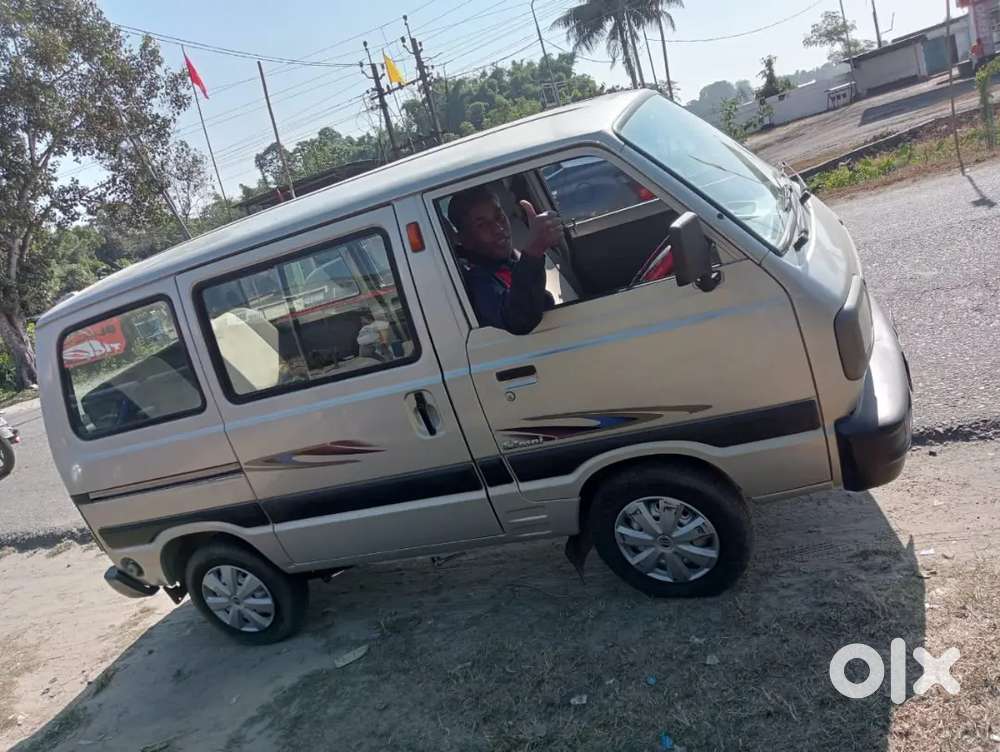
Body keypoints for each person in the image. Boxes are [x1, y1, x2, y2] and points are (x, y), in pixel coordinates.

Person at [447, 185, 563, 335]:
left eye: (499, 217)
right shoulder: (478, 279)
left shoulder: (511, 259)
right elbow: (519, 319)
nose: (498, 229)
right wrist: (534, 250)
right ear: (464, 239)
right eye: (482, 225)